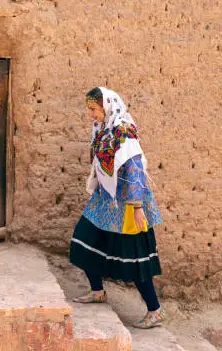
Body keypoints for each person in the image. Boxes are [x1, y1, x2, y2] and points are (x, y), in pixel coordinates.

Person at [69, 86, 166, 329]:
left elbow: (134, 170)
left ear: (107, 107)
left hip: (128, 206)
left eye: (94, 109)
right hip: (105, 202)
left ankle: (155, 310)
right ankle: (97, 291)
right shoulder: (103, 130)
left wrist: (137, 207)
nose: (91, 114)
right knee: (84, 241)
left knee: (134, 262)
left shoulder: (124, 133)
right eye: (89, 109)